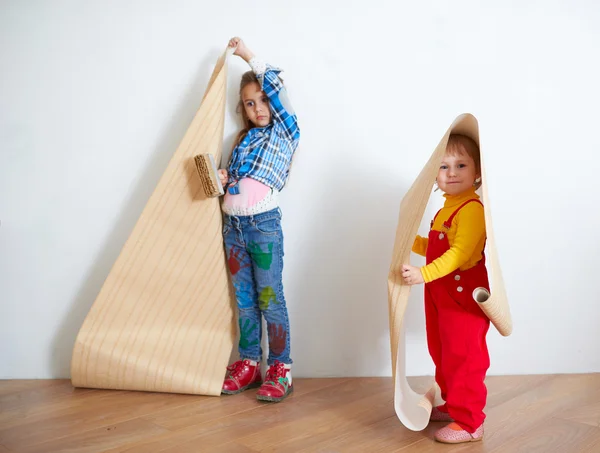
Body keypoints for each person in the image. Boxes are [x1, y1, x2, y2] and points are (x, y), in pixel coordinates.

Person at [218, 37, 300, 403]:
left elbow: (276, 88)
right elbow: (236, 183)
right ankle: (250, 362)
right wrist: (223, 180)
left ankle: (280, 367)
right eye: (250, 104)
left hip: (262, 226)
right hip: (233, 229)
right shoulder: (244, 140)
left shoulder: (285, 131)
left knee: (269, 297)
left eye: (263, 100)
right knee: (245, 300)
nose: (258, 108)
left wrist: (248, 56)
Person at [402, 134, 490, 443]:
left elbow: (459, 254)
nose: (451, 172)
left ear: (477, 172)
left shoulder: (471, 210)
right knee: (442, 351)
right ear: (434, 176)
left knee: (465, 357)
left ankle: (470, 422)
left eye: (461, 165)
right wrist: (409, 240)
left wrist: (423, 274)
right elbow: (437, 247)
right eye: (443, 166)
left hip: (462, 298)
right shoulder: (446, 210)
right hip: (441, 296)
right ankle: (453, 404)